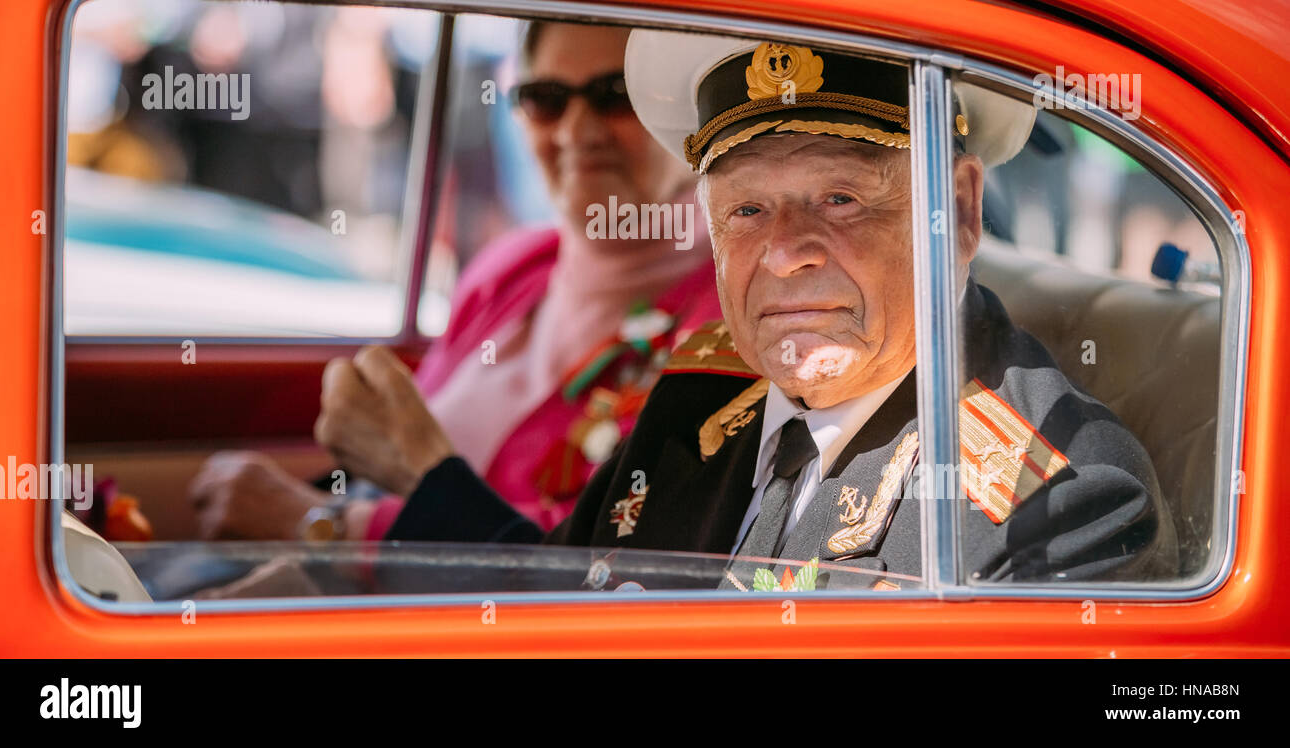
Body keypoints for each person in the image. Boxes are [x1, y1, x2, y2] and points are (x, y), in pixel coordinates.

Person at [309, 29, 1179, 588]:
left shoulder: (1051, 504)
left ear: (955, 209)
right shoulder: (705, 387)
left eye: (842, 198)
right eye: (747, 210)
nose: (784, 251)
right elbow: (563, 598)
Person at [188, 21, 722, 541]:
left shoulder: (720, 321)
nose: (575, 131)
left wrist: (323, 527)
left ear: (687, 117)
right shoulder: (512, 267)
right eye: (546, 98)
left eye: (616, 94)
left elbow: (593, 556)